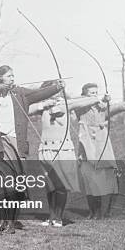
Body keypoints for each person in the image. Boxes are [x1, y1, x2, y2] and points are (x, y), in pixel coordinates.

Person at [0, 65, 64, 233]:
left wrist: (57, 87)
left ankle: (11, 222)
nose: (12, 78)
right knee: (2, 185)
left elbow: (40, 93)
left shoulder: (20, 93)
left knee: (16, 185)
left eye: (13, 75)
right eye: (8, 76)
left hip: (17, 144)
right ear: (0, 78)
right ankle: (2, 221)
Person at [29, 81, 98, 226]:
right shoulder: (43, 106)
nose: (54, 93)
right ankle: (51, 216)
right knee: (49, 184)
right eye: (49, 91)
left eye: (56, 90)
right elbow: (26, 109)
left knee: (60, 184)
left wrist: (101, 98)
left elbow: (86, 101)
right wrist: (44, 104)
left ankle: (58, 218)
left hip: (63, 150)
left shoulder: (67, 104)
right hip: (46, 149)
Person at [73, 83, 125, 219]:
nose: (95, 95)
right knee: (90, 181)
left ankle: (103, 212)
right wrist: (100, 99)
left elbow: (115, 108)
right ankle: (93, 212)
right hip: (87, 148)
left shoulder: (101, 108)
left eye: (96, 92)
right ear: (84, 94)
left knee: (106, 181)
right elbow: (78, 103)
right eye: (92, 93)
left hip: (103, 148)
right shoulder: (80, 106)